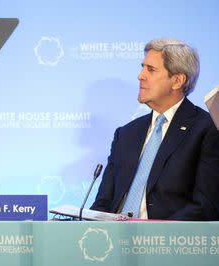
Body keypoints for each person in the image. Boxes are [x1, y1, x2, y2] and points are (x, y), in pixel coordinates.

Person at [91, 38, 219, 221]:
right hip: (114, 241)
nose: (140, 75)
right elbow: (102, 203)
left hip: (166, 243)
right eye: (142, 67)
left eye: (150, 69)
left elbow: (205, 206)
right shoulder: (125, 134)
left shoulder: (207, 129)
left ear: (177, 81)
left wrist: (156, 235)